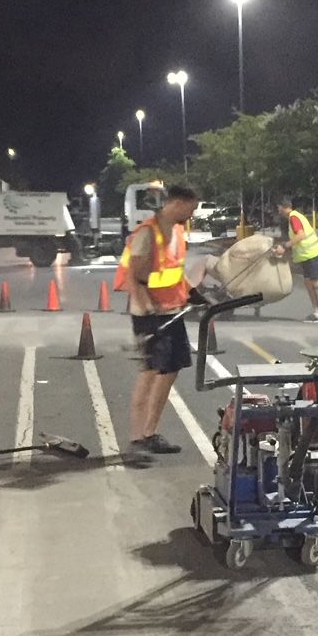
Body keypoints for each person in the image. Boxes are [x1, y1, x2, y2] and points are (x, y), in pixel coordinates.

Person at [124, 184, 199, 464]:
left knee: (169, 371)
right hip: (149, 314)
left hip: (172, 310)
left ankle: (150, 433)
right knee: (150, 372)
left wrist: (193, 294)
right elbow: (134, 276)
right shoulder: (148, 232)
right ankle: (136, 439)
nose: (192, 213)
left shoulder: (178, 231)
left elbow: (174, 271)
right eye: (191, 208)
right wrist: (146, 307)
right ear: (178, 203)